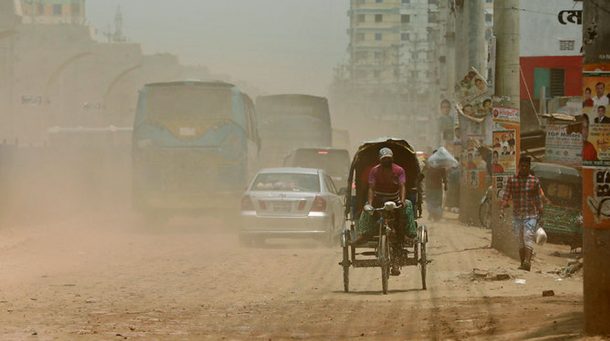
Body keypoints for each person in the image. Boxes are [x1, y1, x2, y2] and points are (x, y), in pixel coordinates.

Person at [357, 147, 417, 276]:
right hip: (379, 199)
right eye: (384, 159)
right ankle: (364, 233)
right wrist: (371, 204)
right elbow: (371, 188)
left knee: (408, 206)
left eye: (389, 159)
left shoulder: (399, 170)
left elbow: (402, 186)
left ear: (392, 159)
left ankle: (409, 232)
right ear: (380, 159)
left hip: (395, 200)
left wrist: (401, 201)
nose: (386, 161)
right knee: (366, 209)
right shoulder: (374, 171)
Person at [500, 156, 544, 271]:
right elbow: (506, 196)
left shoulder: (535, 181)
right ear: (519, 166)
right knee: (520, 240)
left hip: (531, 215)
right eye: (522, 166)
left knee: (527, 237)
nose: (524, 168)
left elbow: (538, 199)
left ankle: (527, 262)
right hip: (517, 215)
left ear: (529, 167)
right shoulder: (512, 180)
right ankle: (522, 263)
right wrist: (502, 208)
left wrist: (541, 214)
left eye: (526, 166)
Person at [424, 154, 447, 221]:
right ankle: (434, 215)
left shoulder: (429, 165)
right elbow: (444, 177)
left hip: (432, 187)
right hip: (435, 187)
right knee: (436, 202)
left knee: (432, 201)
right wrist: (445, 185)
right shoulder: (441, 166)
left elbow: (423, 174)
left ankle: (433, 214)